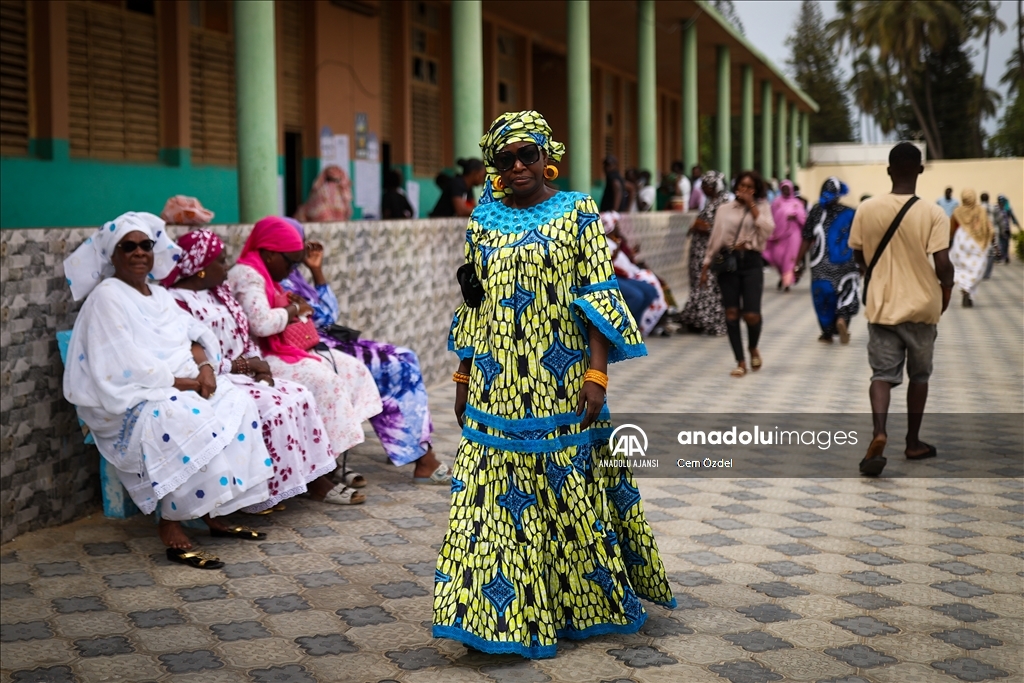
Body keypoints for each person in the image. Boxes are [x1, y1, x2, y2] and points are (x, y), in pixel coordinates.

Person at [436, 110, 675, 658]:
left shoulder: (577, 213)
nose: (518, 165)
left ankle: (574, 603)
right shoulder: (483, 218)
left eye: (528, 154)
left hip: (559, 378)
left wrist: (597, 372)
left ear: (549, 156)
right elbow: (474, 299)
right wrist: (464, 372)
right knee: (491, 500)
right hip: (496, 379)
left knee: (566, 493)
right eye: (505, 158)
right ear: (494, 166)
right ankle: (495, 616)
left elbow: (597, 291)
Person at [63, 212, 275, 569]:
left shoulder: (159, 296)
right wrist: (193, 383)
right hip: (129, 397)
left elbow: (191, 335)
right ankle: (171, 520)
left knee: (236, 399)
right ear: (112, 256)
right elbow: (122, 367)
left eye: (145, 245)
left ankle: (213, 510)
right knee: (183, 416)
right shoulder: (107, 297)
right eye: (127, 247)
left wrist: (206, 369)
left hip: (180, 382)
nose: (138, 253)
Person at [163, 229, 341, 510]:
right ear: (199, 269)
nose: (226, 267)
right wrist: (243, 366)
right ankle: (262, 493)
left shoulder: (217, 293)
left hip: (242, 372)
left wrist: (261, 368)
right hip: (213, 378)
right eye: (220, 261)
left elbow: (243, 337)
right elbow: (189, 357)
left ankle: (306, 480)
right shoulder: (175, 302)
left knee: (299, 395)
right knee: (272, 406)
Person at [280, 218, 451, 484]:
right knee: (398, 368)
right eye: (296, 242)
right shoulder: (279, 281)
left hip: (330, 342)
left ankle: (408, 443)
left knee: (406, 356)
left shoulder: (295, 277)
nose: (302, 247)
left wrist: (317, 271)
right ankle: (421, 457)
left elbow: (329, 315)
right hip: (313, 350)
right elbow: (323, 318)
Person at [228, 216, 383, 505]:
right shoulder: (248, 275)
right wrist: (291, 310)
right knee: (323, 380)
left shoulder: (265, 273)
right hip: (258, 356)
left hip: (280, 348)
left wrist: (293, 309)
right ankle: (319, 476)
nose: (293, 269)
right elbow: (261, 324)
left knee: (351, 368)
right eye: (291, 262)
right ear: (271, 252)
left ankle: (330, 461)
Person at [849, 142, 954, 477]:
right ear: (920, 170)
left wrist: (877, 274)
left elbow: (857, 256)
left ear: (889, 170)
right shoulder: (934, 213)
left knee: (882, 375)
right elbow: (943, 263)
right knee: (919, 376)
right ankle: (912, 442)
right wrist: (947, 291)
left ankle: (880, 432)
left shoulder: (867, 208)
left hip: (882, 305)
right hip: (923, 306)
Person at [700, 170, 775, 377]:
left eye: (750, 187)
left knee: (751, 314)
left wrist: (752, 206)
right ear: (736, 187)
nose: (745, 190)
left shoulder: (762, 207)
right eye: (742, 186)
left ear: (756, 189)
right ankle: (740, 361)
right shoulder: (725, 209)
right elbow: (716, 237)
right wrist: (706, 265)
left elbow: (768, 230)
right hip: (729, 263)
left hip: (751, 262)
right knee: (731, 313)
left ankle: (753, 347)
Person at [798, 177, 860, 344]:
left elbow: (806, 237)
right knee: (847, 292)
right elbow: (861, 239)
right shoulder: (851, 213)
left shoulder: (816, 211)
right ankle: (842, 318)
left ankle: (826, 333)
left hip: (820, 264)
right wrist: (864, 264)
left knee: (823, 297)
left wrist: (798, 261)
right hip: (847, 262)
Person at [679, 171, 728, 336]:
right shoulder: (712, 201)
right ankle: (698, 320)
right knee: (699, 285)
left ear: (713, 187)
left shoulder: (723, 203)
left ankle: (711, 322)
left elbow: (722, 229)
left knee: (708, 285)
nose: (703, 189)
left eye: (705, 186)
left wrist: (701, 227)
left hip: (708, 251)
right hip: (699, 251)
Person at [603, 212, 667, 335]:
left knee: (650, 290)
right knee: (636, 296)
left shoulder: (616, 240)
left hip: (624, 275)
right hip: (609, 277)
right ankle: (618, 330)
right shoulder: (601, 241)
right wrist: (613, 256)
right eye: (616, 225)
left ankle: (633, 330)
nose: (618, 227)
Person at [949, 189, 994, 308]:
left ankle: (965, 289)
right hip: (977, 242)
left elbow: (951, 228)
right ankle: (968, 289)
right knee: (977, 267)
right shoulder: (980, 210)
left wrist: (949, 241)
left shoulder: (957, 211)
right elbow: (989, 227)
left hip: (961, 241)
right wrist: (991, 239)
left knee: (961, 267)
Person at [764, 180, 807, 291]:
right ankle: (783, 277)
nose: (786, 190)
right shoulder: (776, 203)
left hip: (793, 235)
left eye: (788, 188)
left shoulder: (797, 203)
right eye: (784, 188)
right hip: (778, 235)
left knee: (789, 259)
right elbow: (771, 217)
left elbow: (803, 218)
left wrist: (795, 216)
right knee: (779, 258)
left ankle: (787, 283)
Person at [995, 195, 1017, 264]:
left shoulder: (1008, 209)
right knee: (999, 242)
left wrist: (1015, 223)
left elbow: (1013, 218)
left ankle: (1006, 256)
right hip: (998, 229)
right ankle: (1000, 257)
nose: (1000, 202)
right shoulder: (996, 208)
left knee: (1006, 243)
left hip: (1006, 229)